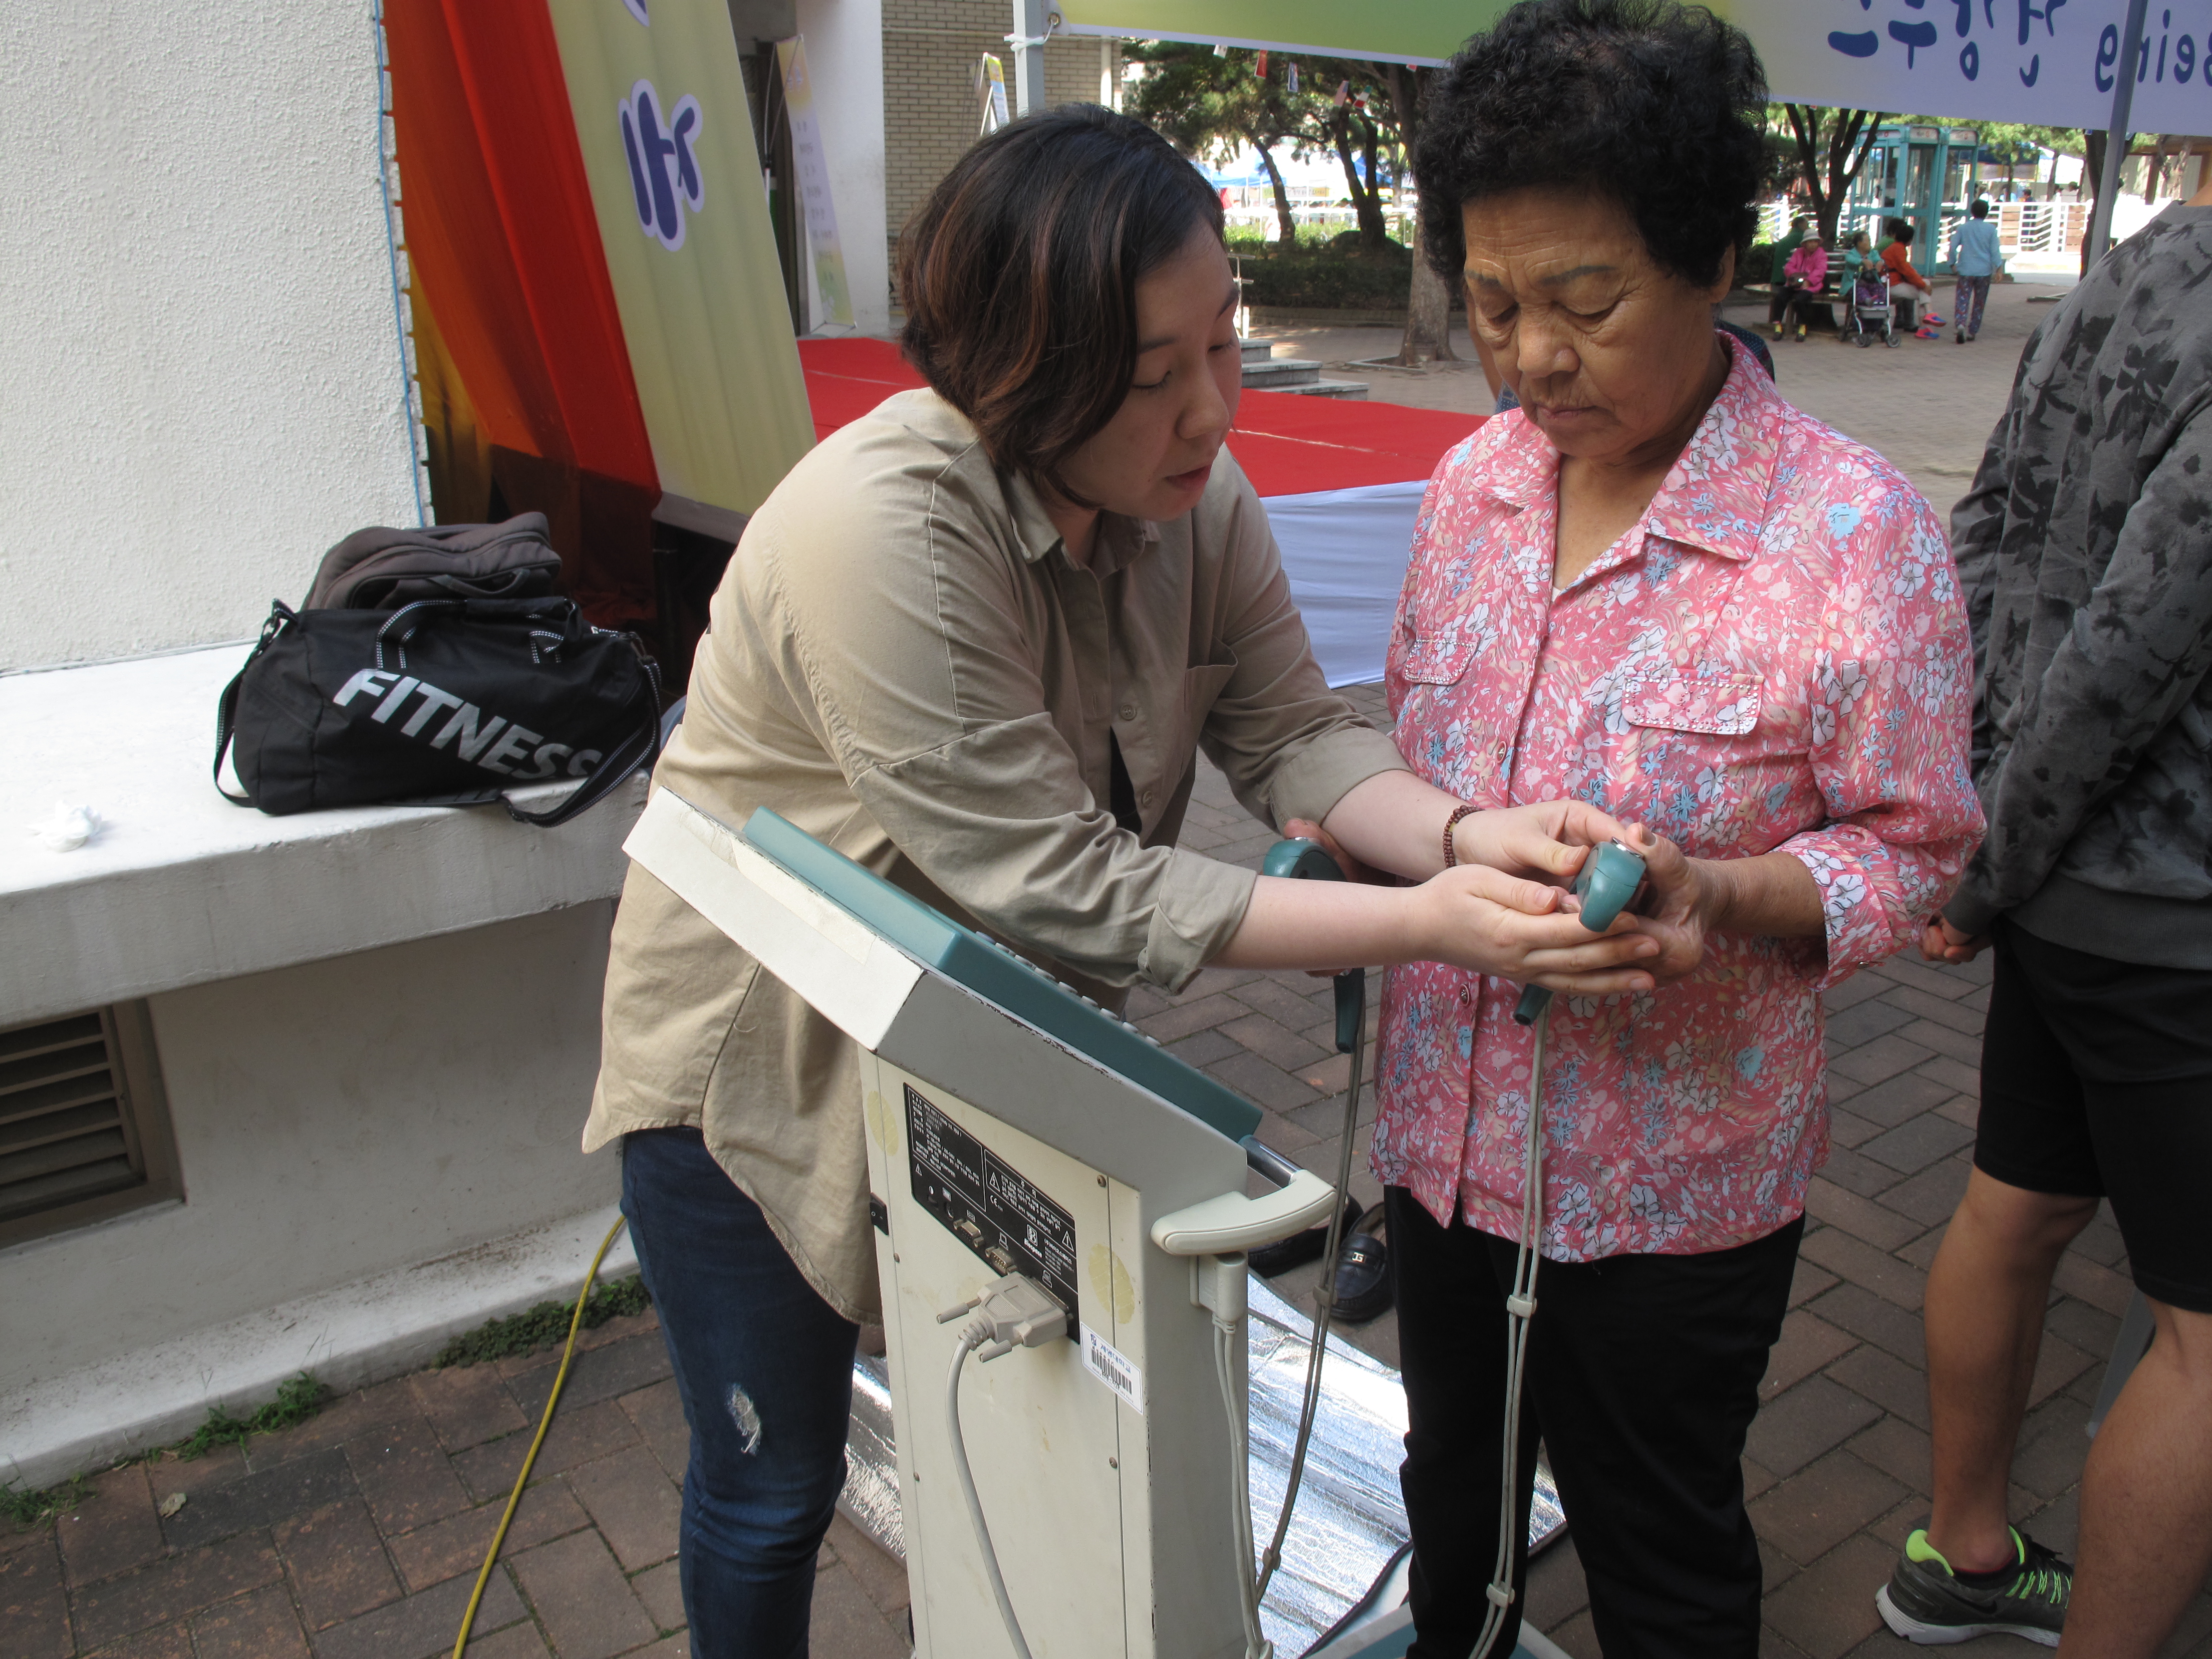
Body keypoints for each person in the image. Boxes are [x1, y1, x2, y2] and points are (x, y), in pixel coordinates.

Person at [584, 106, 1669, 1658]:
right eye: (1154, 377)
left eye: (1223, 348)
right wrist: (1428, 926)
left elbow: (1289, 732)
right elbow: (1065, 887)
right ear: (1014, 379)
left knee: (1009, 1405)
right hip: (768, 1070)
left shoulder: (1190, 500)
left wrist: (1452, 835)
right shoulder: (880, 530)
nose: (1210, 412)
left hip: (982, 1045)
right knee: (774, 1481)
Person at [1391, 2, 1984, 1652]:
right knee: (1453, 1523)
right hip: (1441, 1146)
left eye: (1585, 302)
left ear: (1713, 258)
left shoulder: (1852, 533)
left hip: (1676, 1197)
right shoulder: (1467, 490)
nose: (1530, 360)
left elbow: (1918, 843)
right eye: (1495, 306)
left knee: (1658, 1552)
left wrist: (1711, 896)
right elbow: (1419, 771)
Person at [1877, 177, 2212, 1654]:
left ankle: (1958, 1554)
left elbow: (1988, 531)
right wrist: (1988, 859)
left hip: (2066, 871)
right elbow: (2141, 640)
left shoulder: (2114, 272)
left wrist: (1983, 804)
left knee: (2016, 1207)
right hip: (2163, 896)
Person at [1951, 197, 2002, 343]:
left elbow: (1953, 247)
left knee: (1962, 298)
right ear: (1986, 213)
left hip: (1966, 269)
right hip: (1984, 271)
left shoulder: (1963, 228)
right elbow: (1995, 251)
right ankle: (1972, 331)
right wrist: (1998, 267)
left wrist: (1952, 263)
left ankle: (1960, 324)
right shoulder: (1991, 230)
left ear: (1972, 212)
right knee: (1979, 302)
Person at [1773, 227, 1828, 341]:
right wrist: (1796, 276)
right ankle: (1777, 326)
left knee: (1801, 299)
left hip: (1812, 286)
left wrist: (1808, 281)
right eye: (1810, 242)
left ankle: (1803, 327)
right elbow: (1789, 267)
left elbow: (1820, 271)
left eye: (1815, 242)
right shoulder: (1798, 253)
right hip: (1794, 284)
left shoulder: (1821, 254)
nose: (1813, 244)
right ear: (1805, 243)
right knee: (1780, 296)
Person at [1883, 220, 1934, 325]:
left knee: (1924, 288)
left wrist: (1922, 284)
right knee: (1923, 291)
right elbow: (1907, 271)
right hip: (1893, 284)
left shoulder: (1895, 248)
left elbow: (1907, 270)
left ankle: (1928, 317)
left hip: (1890, 282)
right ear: (1909, 239)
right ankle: (1927, 319)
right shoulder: (1899, 250)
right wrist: (1923, 285)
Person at [1767, 211, 1808, 333]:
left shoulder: (1786, 239)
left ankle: (1777, 324)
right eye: (1807, 224)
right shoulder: (1802, 239)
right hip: (1788, 280)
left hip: (1776, 279)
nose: (1808, 227)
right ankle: (1801, 324)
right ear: (1801, 225)